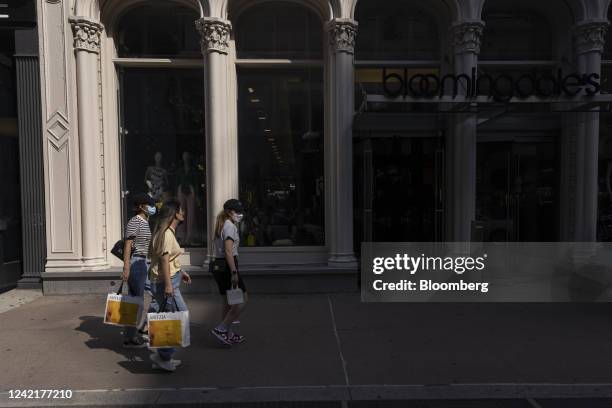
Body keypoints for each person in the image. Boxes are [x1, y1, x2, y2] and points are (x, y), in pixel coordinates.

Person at [148, 199, 192, 372]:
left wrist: (181, 272)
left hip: (169, 279)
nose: (184, 213)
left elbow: (170, 259)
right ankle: (163, 355)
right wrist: (168, 285)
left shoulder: (167, 232)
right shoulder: (166, 233)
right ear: (175, 213)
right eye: (181, 210)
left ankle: (163, 355)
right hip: (164, 282)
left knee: (171, 317)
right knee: (177, 316)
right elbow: (164, 260)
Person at [211, 198, 248, 345]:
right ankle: (221, 328)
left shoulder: (222, 224)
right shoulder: (229, 226)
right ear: (228, 212)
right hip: (228, 266)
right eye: (236, 211)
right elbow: (228, 251)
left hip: (220, 266)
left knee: (228, 302)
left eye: (240, 211)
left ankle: (228, 333)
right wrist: (234, 272)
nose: (239, 214)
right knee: (242, 300)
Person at [121, 193, 156, 348]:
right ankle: (130, 338)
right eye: (149, 204)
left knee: (156, 293)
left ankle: (143, 328)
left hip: (144, 263)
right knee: (136, 301)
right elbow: (128, 244)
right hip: (136, 263)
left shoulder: (145, 221)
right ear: (141, 206)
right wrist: (126, 267)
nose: (152, 207)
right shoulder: (135, 221)